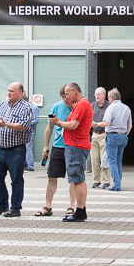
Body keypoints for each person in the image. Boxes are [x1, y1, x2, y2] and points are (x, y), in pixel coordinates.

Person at [49, 82, 93, 222]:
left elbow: (73, 125)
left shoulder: (81, 104)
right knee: (79, 178)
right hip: (77, 145)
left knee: (77, 179)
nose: (66, 98)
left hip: (76, 146)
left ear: (74, 91)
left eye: (67, 94)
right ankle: (82, 209)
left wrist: (58, 122)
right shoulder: (80, 104)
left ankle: (80, 211)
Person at [0, 82, 32, 217]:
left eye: (12, 91)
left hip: (16, 150)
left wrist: (6, 124)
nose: (9, 93)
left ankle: (15, 208)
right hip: (0, 149)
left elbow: (24, 125)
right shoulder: (3, 104)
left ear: (20, 93)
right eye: (8, 90)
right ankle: (2, 205)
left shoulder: (26, 107)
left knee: (16, 180)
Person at [34, 85, 76, 217]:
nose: (65, 99)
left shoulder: (77, 107)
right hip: (58, 146)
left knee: (73, 178)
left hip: (73, 146)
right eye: (63, 97)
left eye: (67, 96)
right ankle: (48, 206)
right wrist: (45, 146)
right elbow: (49, 126)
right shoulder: (57, 106)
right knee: (51, 176)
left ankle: (71, 206)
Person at [95, 88, 132, 191]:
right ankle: (118, 181)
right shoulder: (126, 108)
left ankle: (116, 185)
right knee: (119, 160)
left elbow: (106, 123)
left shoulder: (111, 108)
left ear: (111, 98)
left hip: (112, 136)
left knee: (111, 161)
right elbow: (130, 125)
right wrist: (125, 134)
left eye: (108, 97)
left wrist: (96, 124)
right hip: (123, 136)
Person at [90, 87, 111, 189]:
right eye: (95, 94)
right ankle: (96, 180)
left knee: (104, 158)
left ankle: (106, 180)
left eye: (99, 94)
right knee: (94, 159)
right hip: (94, 134)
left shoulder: (109, 106)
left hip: (104, 134)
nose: (97, 96)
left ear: (104, 95)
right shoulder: (92, 106)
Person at [23, 92, 40, 172]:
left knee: (28, 147)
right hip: (23, 131)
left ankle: (30, 166)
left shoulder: (34, 107)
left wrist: (26, 123)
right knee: (24, 148)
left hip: (31, 131)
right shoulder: (25, 108)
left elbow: (36, 121)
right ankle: (25, 164)